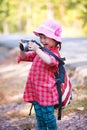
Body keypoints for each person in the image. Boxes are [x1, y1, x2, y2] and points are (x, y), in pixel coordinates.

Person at [18, 19, 62, 130]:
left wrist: (38, 50)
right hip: (36, 92)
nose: (42, 40)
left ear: (55, 40)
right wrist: (22, 49)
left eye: (45, 37)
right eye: (41, 37)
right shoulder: (41, 51)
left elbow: (50, 61)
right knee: (39, 117)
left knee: (48, 117)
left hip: (46, 93)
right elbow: (24, 57)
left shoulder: (54, 53)